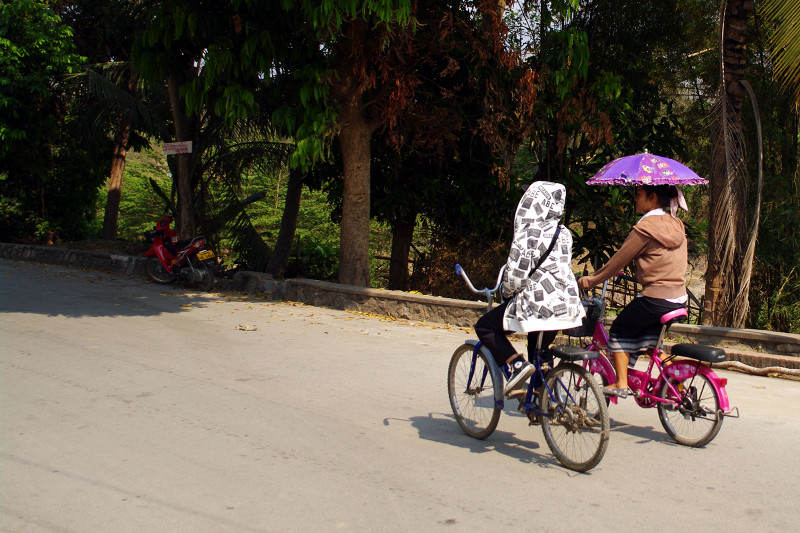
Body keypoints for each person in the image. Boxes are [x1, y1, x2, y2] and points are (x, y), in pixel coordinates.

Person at [577, 184, 688, 398]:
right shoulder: (677, 224)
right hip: (678, 298)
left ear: (652, 196)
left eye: (638, 194)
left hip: (656, 297)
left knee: (619, 330)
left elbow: (617, 261)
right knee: (649, 342)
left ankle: (620, 383)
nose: (635, 199)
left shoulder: (645, 228)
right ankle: (674, 380)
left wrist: (589, 281)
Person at [475, 181, 585, 396]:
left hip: (538, 304)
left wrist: (506, 294)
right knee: (539, 350)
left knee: (485, 327)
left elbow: (516, 274)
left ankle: (516, 365)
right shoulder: (564, 233)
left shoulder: (529, 232)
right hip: (566, 304)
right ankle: (541, 399)